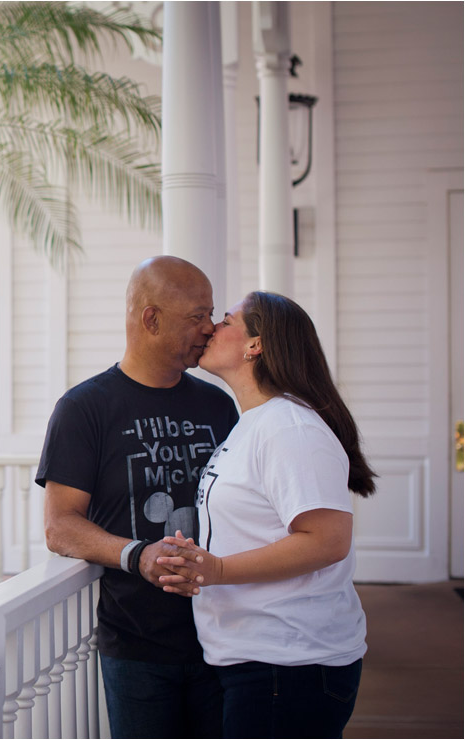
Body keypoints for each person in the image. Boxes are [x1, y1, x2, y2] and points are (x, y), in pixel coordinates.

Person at [156, 290, 376, 739]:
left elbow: (326, 539)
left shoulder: (289, 428)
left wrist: (215, 569)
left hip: (289, 665)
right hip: (257, 661)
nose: (212, 327)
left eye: (227, 320)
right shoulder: (255, 423)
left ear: (254, 344)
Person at [36, 255, 239, 739]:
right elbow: (60, 525)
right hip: (138, 646)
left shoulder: (218, 404)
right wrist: (137, 554)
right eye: (197, 316)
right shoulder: (84, 409)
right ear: (151, 319)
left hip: (226, 635)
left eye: (212, 315)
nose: (210, 329)